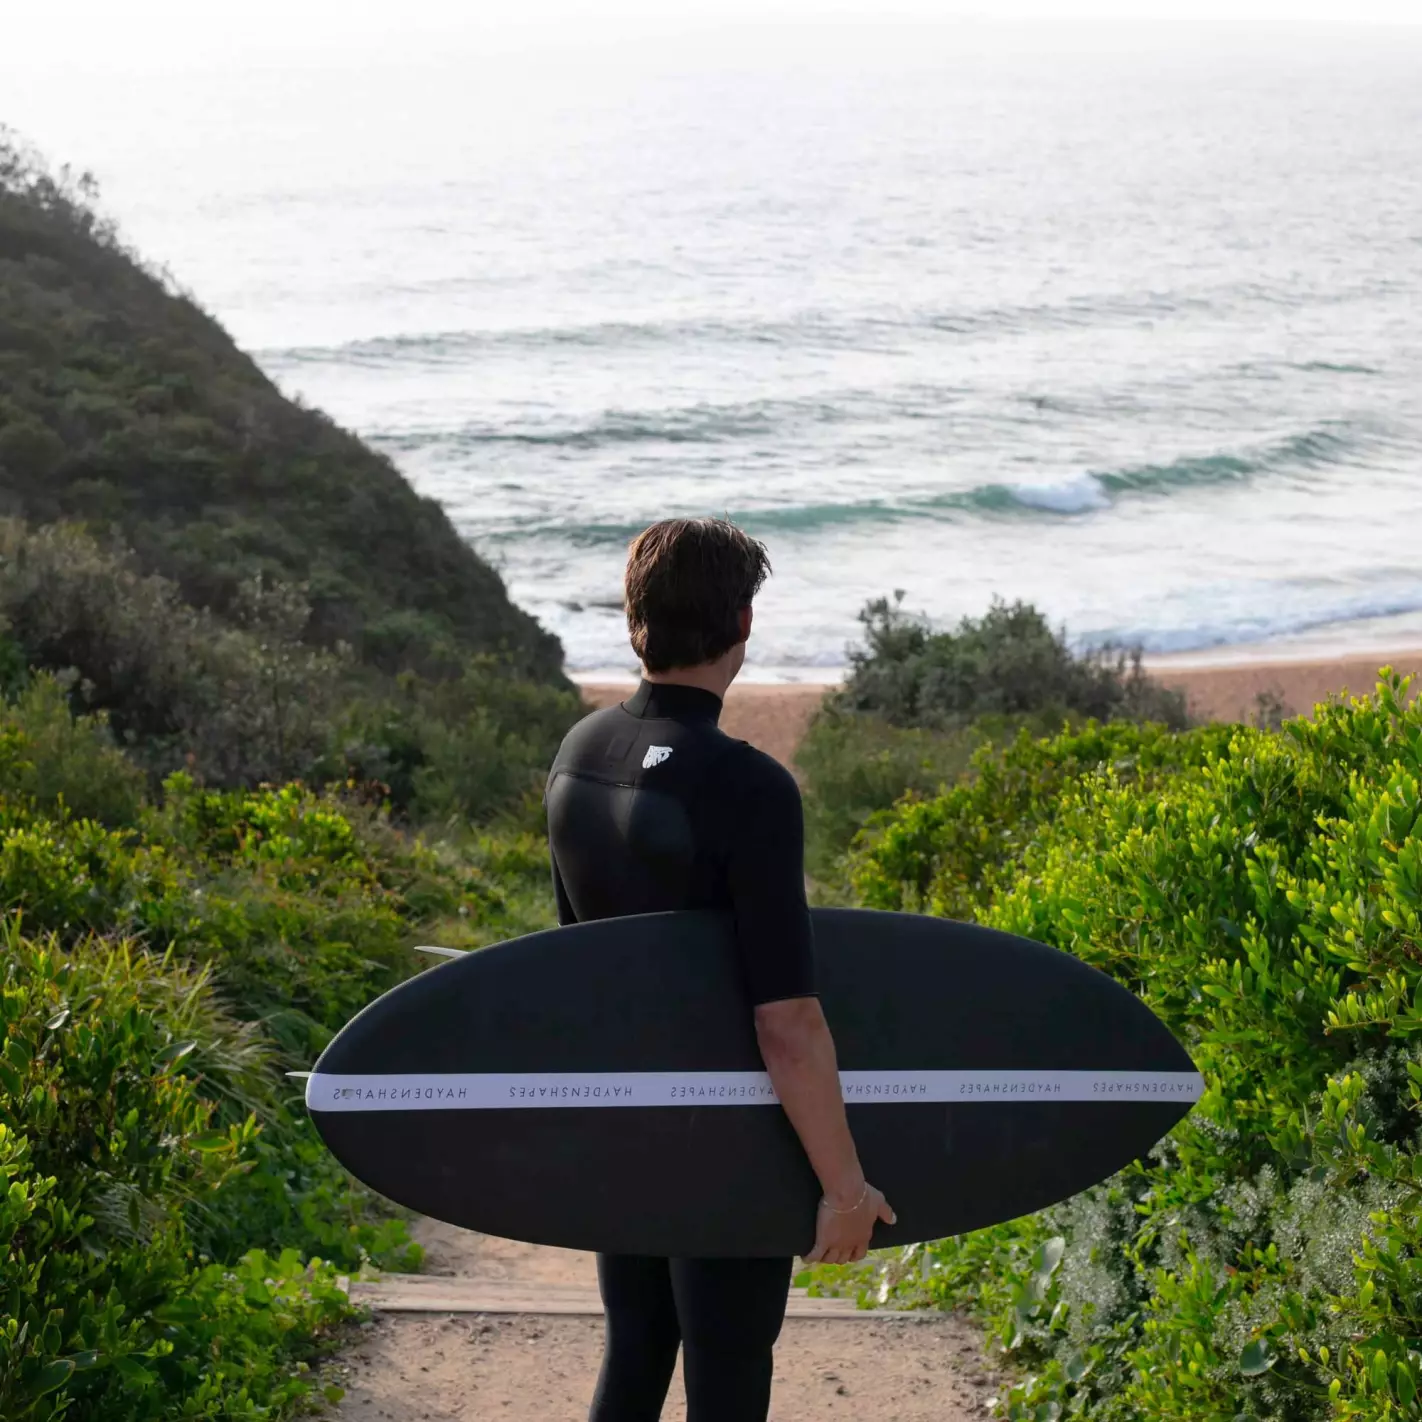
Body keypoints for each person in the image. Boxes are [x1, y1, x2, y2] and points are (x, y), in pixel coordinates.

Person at [544, 517, 894, 1422]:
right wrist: (845, 1188)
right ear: (743, 622)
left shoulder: (578, 756)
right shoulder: (748, 787)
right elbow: (787, 1022)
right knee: (729, 1374)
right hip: (728, 1135)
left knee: (635, 1350)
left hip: (624, 1122)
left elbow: (574, 968)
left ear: (635, 620)